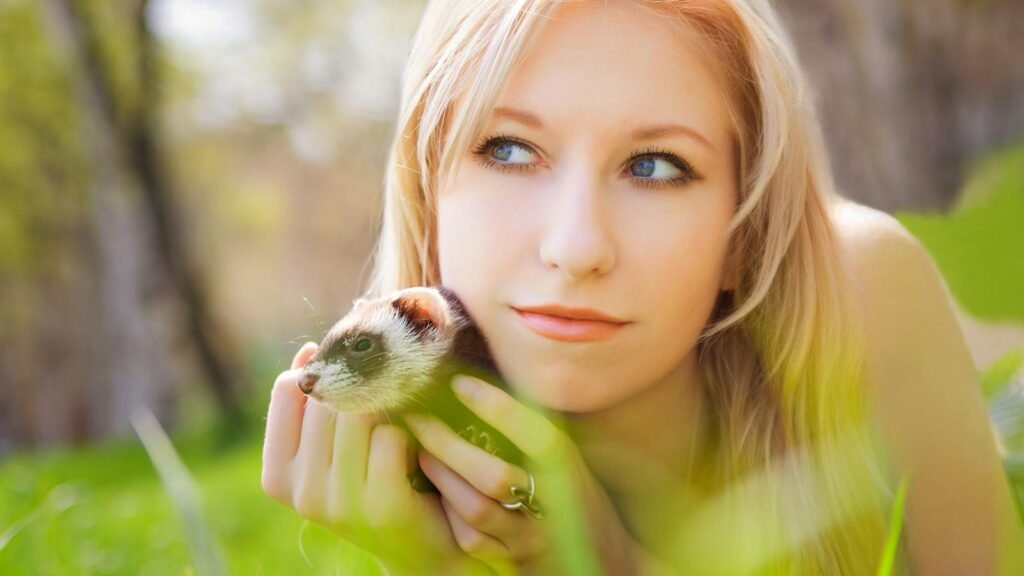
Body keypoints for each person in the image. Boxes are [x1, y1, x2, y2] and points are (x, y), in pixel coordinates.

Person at [261, 0, 1024, 574]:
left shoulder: (864, 291)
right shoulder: (397, 479)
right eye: (509, 149)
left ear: (743, 231)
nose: (577, 247)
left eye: (655, 165)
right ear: (430, 192)